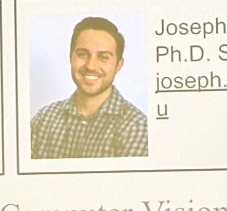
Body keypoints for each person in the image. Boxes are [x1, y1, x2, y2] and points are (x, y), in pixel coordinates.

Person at [30, 15, 148, 159]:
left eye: (103, 57)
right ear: (70, 57)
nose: (91, 66)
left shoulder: (136, 127)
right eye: (82, 54)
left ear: (118, 65)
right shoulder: (43, 119)